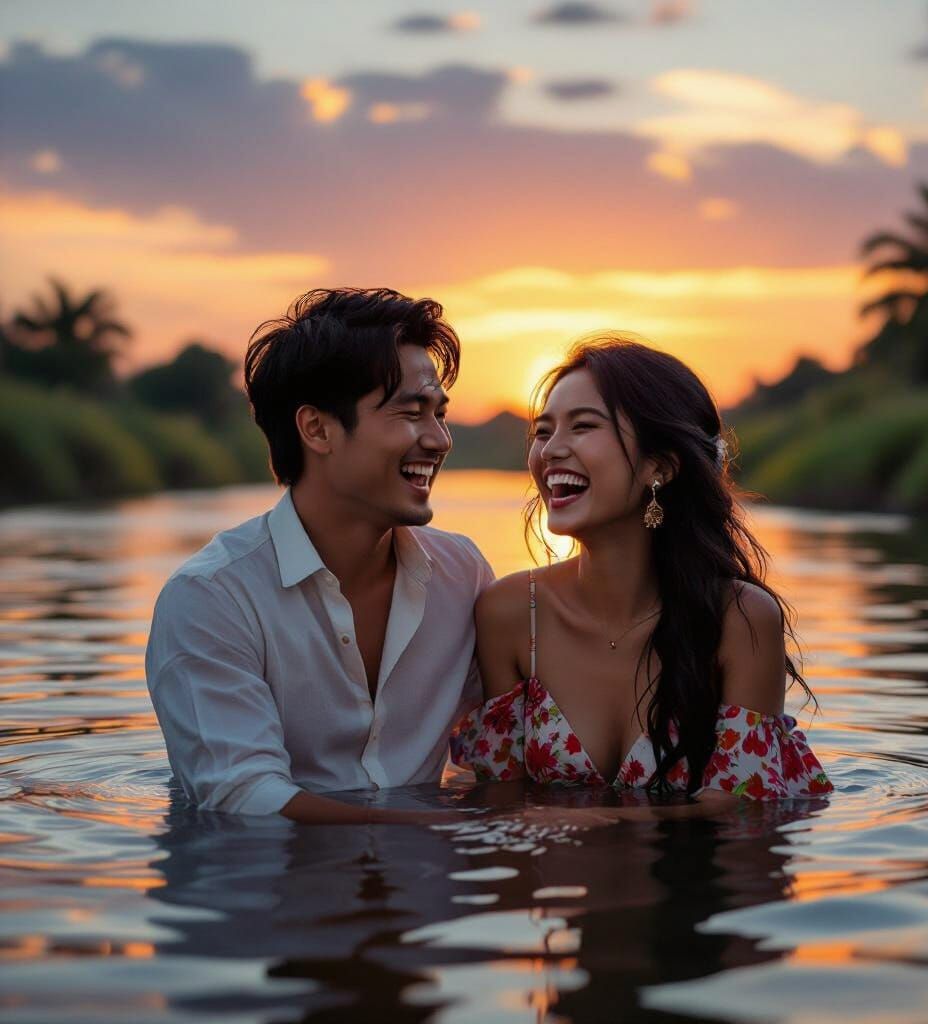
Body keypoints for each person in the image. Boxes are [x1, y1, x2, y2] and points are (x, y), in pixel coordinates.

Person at [145, 288, 493, 823]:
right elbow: (243, 800)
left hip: (427, 897)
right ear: (316, 429)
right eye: (411, 412)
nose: (440, 439)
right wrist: (463, 831)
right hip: (263, 889)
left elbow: (498, 748)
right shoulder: (212, 598)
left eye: (440, 414)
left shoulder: (462, 575)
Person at [451, 336, 832, 801]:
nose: (550, 450)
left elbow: (741, 820)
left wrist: (592, 823)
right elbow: (498, 801)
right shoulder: (509, 613)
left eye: (583, 426)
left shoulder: (740, 619)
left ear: (660, 466)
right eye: (543, 431)